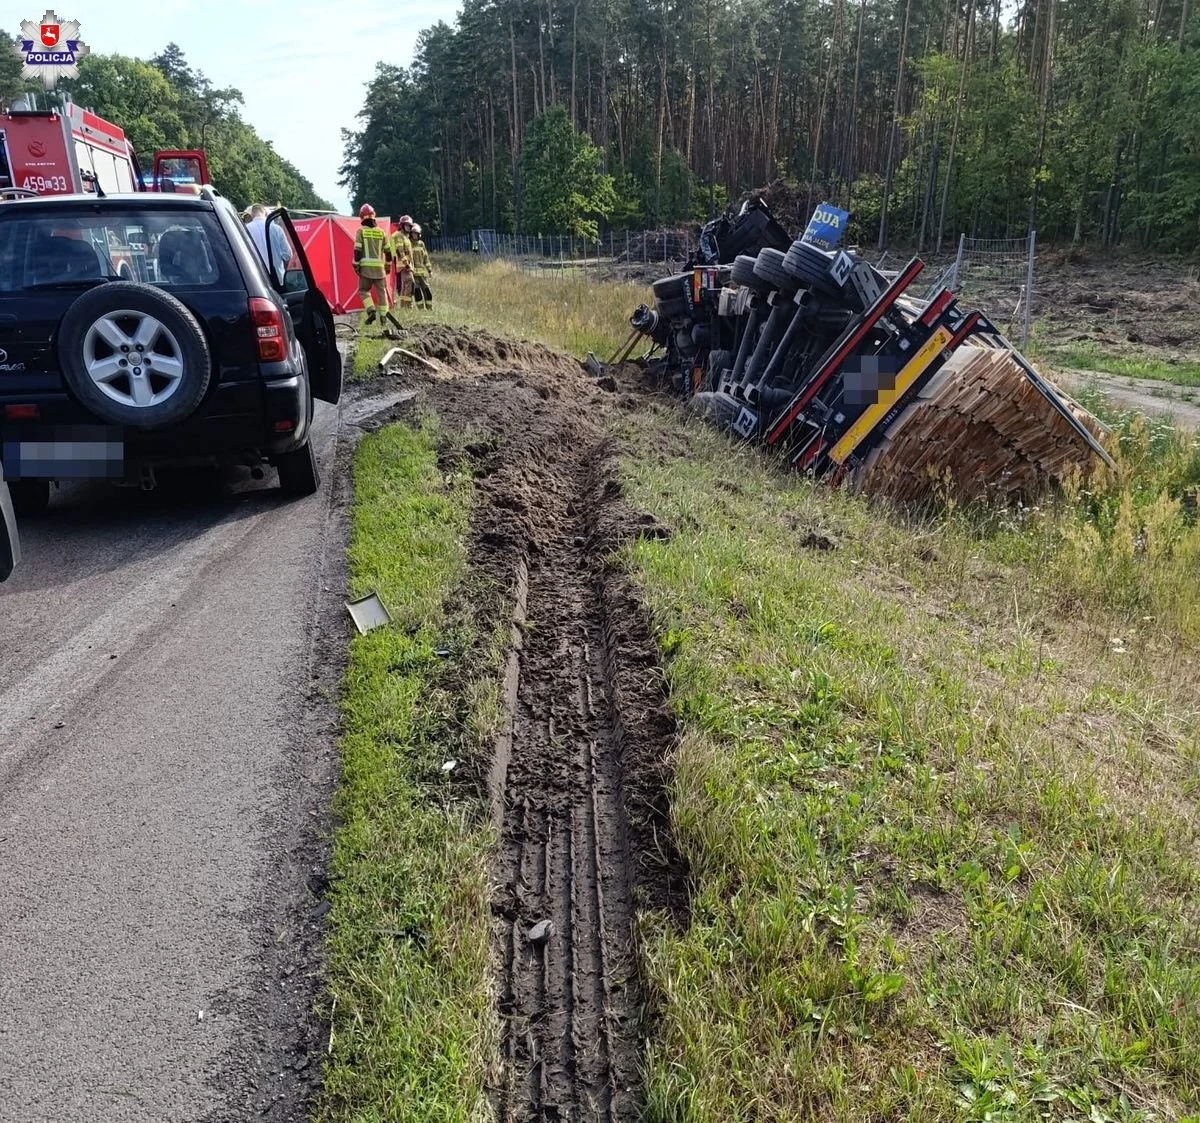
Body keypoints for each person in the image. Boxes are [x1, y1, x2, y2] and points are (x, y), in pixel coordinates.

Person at [353, 203, 401, 330]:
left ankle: (371, 311)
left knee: (363, 290)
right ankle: (383, 319)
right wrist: (388, 266)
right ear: (374, 216)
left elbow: (357, 252)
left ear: (361, 217)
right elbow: (389, 253)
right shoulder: (382, 233)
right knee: (382, 293)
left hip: (365, 270)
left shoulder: (361, 232)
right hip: (380, 270)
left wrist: (356, 265)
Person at [247, 204, 292, 284]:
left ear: (252, 214)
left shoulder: (246, 229)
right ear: (265, 213)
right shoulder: (277, 228)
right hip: (277, 277)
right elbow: (287, 254)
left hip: (255, 279)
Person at [390, 215, 415, 314]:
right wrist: (406, 263)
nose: (409, 227)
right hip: (404, 265)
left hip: (407, 265)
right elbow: (400, 251)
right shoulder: (399, 236)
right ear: (402, 225)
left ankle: (404, 306)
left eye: (410, 226)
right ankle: (408, 306)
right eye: (407, 225)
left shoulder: (405, 237)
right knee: (410, 283)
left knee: (405, 286)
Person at [410, 223, 433, 311]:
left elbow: (426, 258)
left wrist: (429, 270)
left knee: (427, 291)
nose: (414, 235)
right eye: (413, 233)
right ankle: (421, 310)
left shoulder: (421, 244)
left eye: (416, 233)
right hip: (413, 274)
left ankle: (429, 309)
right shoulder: (409, 244)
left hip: (422, 274)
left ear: (419, 234)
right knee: (417, 292)